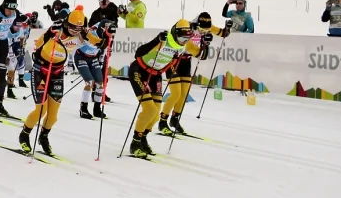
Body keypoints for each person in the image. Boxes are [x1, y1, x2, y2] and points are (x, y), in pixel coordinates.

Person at [127, 19, 212, 158]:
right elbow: (138, 53)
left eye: (187, 38)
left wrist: (206, 44)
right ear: (175, 32)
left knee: (155, 115)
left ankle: (142, 138)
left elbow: (202, 55)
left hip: (155, 75)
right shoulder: (165, 39)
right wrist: (156, 40)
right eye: (182, 37)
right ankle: (134, 144)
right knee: (150, 109)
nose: (184, 41)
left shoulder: (187, 44)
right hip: (139, 71)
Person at [18, 9, 86, 155]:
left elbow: (96, 40)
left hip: (57, 73)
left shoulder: (80, 35)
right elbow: (38, 46)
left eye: (79, 28)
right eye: (73, 27)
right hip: (41, 71)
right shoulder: (58, 31)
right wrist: (49, 32)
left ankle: (43, 136)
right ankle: (24, 134)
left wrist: (107, 34)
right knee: (41, 110)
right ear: (68, 24)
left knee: (53, 115)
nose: (76, 31)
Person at [159, 13, 230, 135]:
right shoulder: (187, 29)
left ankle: (175, 119)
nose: (203, 32)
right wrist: (205, 45)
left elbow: (223, 33)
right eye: (201, 30)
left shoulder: (206, 27)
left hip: (186, 60)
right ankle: (162, 121)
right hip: (173, 60)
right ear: (196, 24)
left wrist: (228, 27)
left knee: (184, 93)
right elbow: (200, 55)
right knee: (176, 94)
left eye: (206, 30)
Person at [75, 19, 113, 119]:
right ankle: (83, 109)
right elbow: (96, 43)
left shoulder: (108, 35)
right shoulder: (91, 33)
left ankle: (97, 109)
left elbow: (104, 49)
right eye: (107, 32)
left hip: (92, 58)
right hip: (81, 57)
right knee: (90, 83)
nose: (110, 35)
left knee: (100, 84)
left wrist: (101, 60)